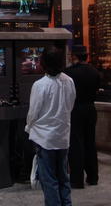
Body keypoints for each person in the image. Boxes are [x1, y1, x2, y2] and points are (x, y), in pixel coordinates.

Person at [26, 44, 76, 206]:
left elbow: (33, 113)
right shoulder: (69, 81)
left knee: (49, 180)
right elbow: (70, 105)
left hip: (44, 139)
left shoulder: (40, 85)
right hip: (63, 137)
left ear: (43, 63)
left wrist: (28, 127)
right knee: (63, 178)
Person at [64, 45, 101, 188]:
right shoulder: (95, 72)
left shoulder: (69, 73)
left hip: (75, 109)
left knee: (76, 144)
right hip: (91, 109)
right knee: (90, 142)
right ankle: (93, 177)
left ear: (74, 56)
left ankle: (77, 179)